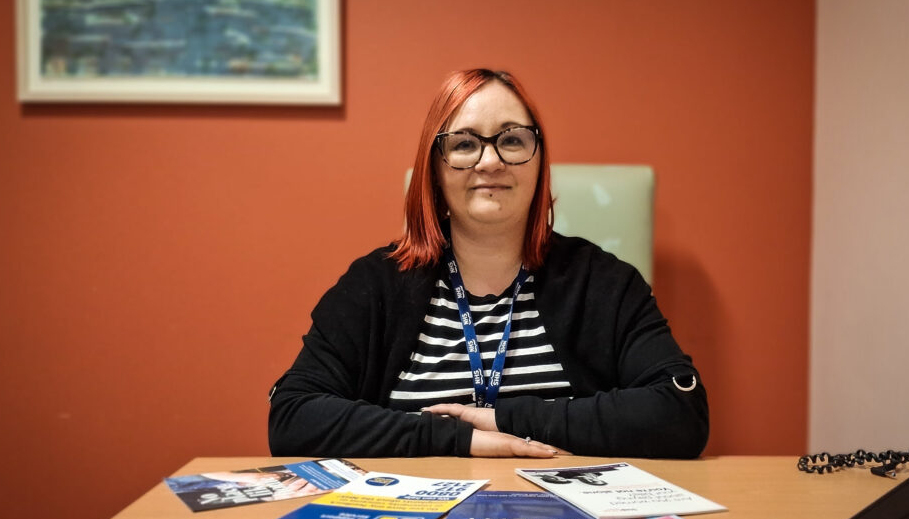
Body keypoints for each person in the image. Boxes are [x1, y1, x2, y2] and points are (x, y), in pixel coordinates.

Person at [268, 68, 708, 459]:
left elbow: (680, 412)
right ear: (434, 168)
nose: (491, 161)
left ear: (539, 162)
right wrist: (458, 439)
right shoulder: (374, 285)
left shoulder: (604, 282)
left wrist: (505, 419)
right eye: (464, 144)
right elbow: (292, 416)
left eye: (512, 140)